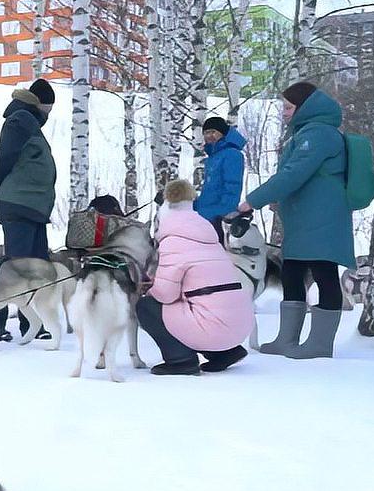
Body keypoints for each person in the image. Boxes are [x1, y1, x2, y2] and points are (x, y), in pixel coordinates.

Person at [238, 82, 354, 359]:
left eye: (289, 107)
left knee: (324, 272)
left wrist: (251, 201)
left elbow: (293, 174)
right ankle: (286, 339)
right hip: (305, 218)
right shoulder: (306, 134)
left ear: (306, 108)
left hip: (322, 219)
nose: (284, 113)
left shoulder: (318, 135)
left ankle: (319, 344)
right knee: (291, 271)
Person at [136, 180, 254, 375]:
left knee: (146, 306)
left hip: (215, 328)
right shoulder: (208, 237)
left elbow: (165, 295)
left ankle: (180, 360)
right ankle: (224, 353)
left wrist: (149, 286)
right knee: (201, 303)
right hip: (240, 325)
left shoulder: (174, 240)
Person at [0, 78, 58, 342]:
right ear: (40, 104)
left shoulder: (27, 120)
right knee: (17, 267)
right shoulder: (21, 119)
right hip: (20, 203)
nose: (49, 114)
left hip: (31, 205)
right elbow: (6, 154)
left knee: (35, 267)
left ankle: (30, 323)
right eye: (49, 108)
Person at [194, 116, 246, 245]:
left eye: (213, 132)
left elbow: (232, 188)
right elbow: (211, 191)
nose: (209, 136)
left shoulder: (232, 154)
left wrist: (218, 212)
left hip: (218, 218)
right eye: (206, 132)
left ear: (222, 133)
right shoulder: (214, 156)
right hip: (206, 214)